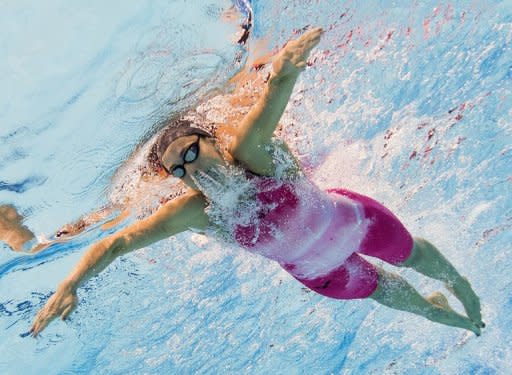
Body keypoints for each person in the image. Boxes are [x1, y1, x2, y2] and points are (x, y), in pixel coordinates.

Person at [0, 28, 484, 337]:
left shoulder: (253, 154)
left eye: (192, 152)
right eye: (179, 169)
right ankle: (455, 315)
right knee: (426, 311)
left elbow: (273, 95)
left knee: (421, 260)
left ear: (211, 141)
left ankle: (461, 287)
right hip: (326, 276)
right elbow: (119, 242)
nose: (193, 169)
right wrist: (71, 282)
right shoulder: (196, 213)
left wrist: (289, 62)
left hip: (360, 224)